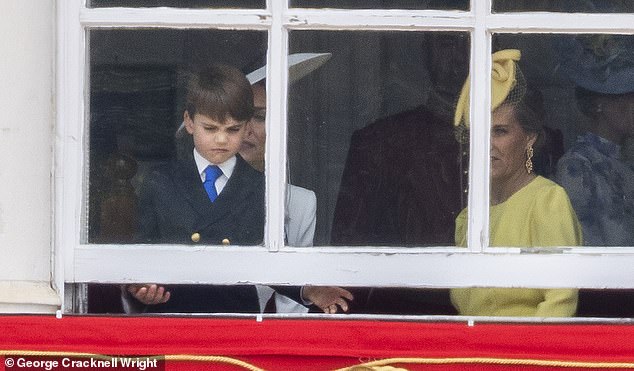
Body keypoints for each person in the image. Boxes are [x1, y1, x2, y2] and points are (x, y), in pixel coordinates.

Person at [126, 64, 350, 313]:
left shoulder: (263, 190)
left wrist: (309, 291)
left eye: (232, 129)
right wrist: (141, 287)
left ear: (246, 128)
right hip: (173, 317)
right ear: (189, 122)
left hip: (237, 321)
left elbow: (275, 265)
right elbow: (141, 252)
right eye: (210, 128)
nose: (221, 139)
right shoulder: (161, 181)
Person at [330, 33, 469, 315]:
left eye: (465, 44)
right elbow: (348, 251)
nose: (456, 56)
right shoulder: (380, 141)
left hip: (491, 312)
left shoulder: (510, 141)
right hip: (399, 311)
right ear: (426, 53)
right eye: (445, 43)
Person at [451, 49, 583, 316]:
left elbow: (561, 302)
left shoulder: (547, 201)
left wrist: (513, 354)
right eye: (479, 132)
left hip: (522, 354)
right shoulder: (470, 217)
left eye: (500, 131)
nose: (487, 144)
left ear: (529, 138)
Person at [241, 53, 353, 313]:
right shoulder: (207, 193)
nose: (244, 129)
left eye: (259, 117)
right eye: (239, 117)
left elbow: (293, 299)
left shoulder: (301, 202)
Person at [555, 35, 634, 316]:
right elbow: (585, 250)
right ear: (599, 103)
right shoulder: (577, 166)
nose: (632, 103)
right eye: (624, 94)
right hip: (606, 304)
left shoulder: (625, 161)